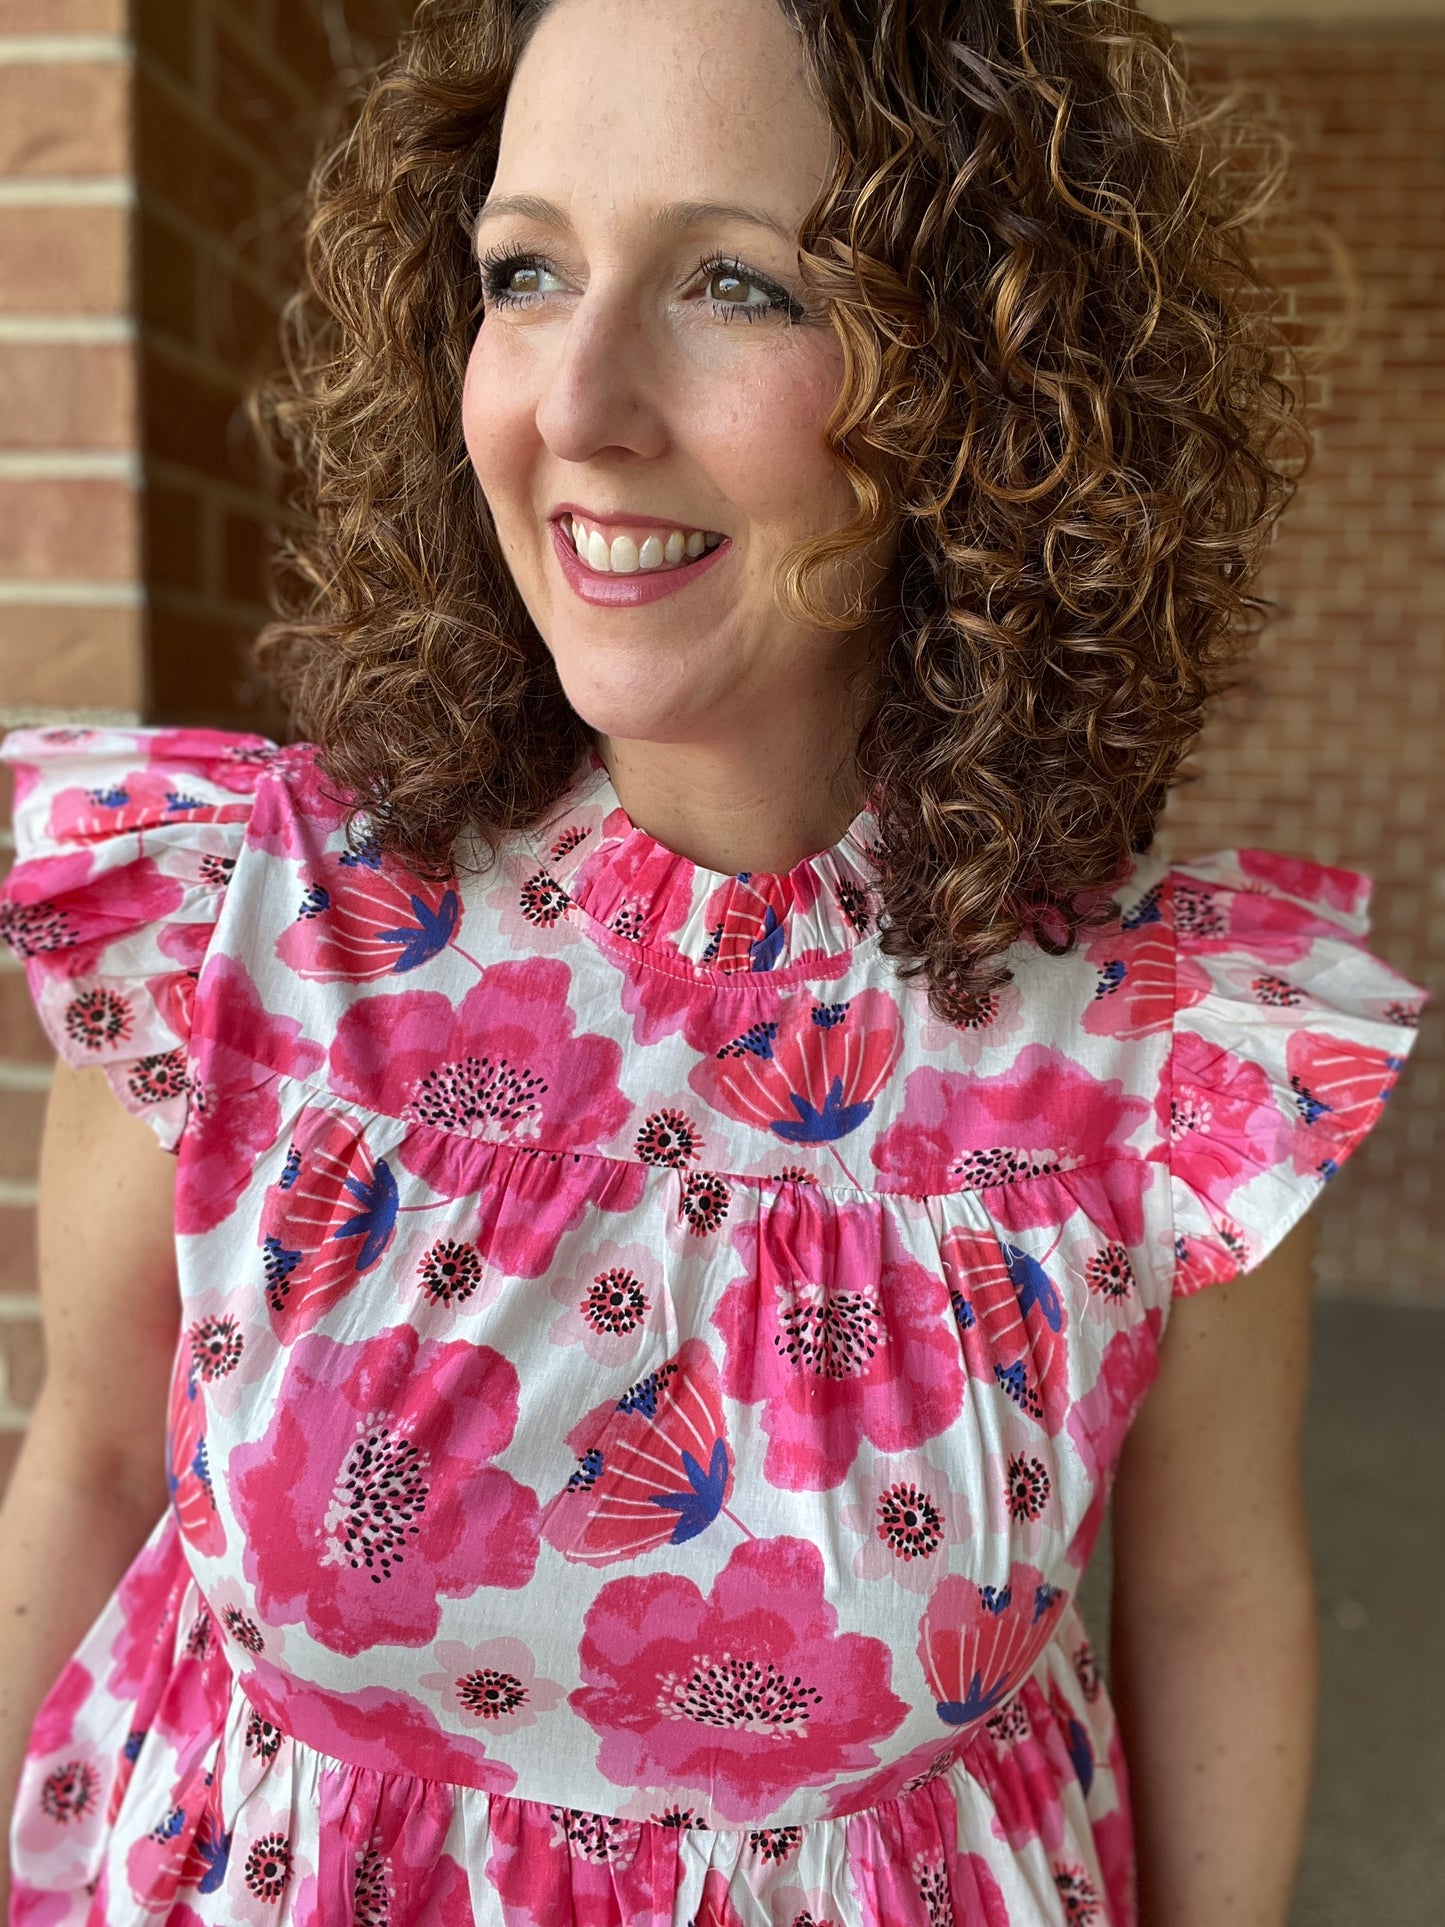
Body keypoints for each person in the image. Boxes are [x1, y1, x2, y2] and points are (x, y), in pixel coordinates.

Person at [0, 0, 1428, 1922]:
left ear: (989, 383)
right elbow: (88, 1478)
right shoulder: (236, 937)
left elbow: (1204, 1590)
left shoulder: (1163, 1062)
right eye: (525, 272)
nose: (575, 402)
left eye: (737, 284)